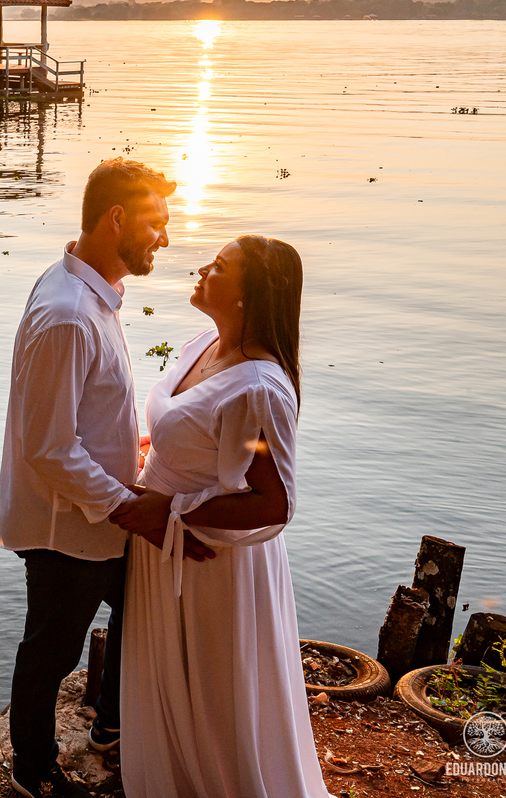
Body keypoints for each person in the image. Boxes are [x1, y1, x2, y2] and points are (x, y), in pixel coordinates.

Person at [0, 158, 211, 798]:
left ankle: (112, 728)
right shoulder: (68, 314)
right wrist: (131, 504)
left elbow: (82, 414)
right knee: (49, 652)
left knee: (146, 615)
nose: (163, 239)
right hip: (66, 527)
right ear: (117, 217)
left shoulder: (86, 292)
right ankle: (33, 771)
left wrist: (134, 447)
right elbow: (49, 447)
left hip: (96, 514)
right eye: (156, 224)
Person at [110, 235, 333, 797]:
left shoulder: (260, 389)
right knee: (168, 681)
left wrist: (175, 507)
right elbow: (195, 436)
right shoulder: (204, 343)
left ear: (250, 295)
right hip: (161, 540)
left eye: (221, 267)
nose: (204, 269)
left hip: (210, 562)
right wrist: (151, 457)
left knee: (212, 690)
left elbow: (274, 501)